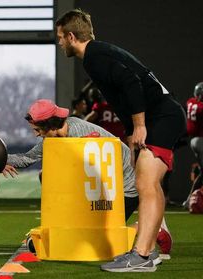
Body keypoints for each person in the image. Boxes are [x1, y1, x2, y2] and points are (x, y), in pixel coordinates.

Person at [55, 10, 186, 272]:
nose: (59, 43)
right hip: (163, 116)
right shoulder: (98, 54)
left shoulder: (94, 56)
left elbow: (131, 83)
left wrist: (139, 125)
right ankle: (147, 252)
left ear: (71, 36)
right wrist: (131, 135)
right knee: (151, 183)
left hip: (160, 117)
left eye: (60, 38)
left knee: (144, 183)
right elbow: (124, 99)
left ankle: (141, 255)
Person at [3, 99, 172, 264]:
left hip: (124, 187)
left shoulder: (80, 133)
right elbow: (27, 158)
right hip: (102, 186)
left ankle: (152, 228)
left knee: (98, 236)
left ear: (50, 125)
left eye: (37, 129)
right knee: (47, 177)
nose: (36, 134)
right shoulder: (55, 135)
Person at [183, 82, 203, 207]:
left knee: (202, 172)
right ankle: (190, 199)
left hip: (194, 140)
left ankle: (189, 199)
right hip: (201, 141)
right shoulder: (200, 107)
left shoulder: (190, 102)